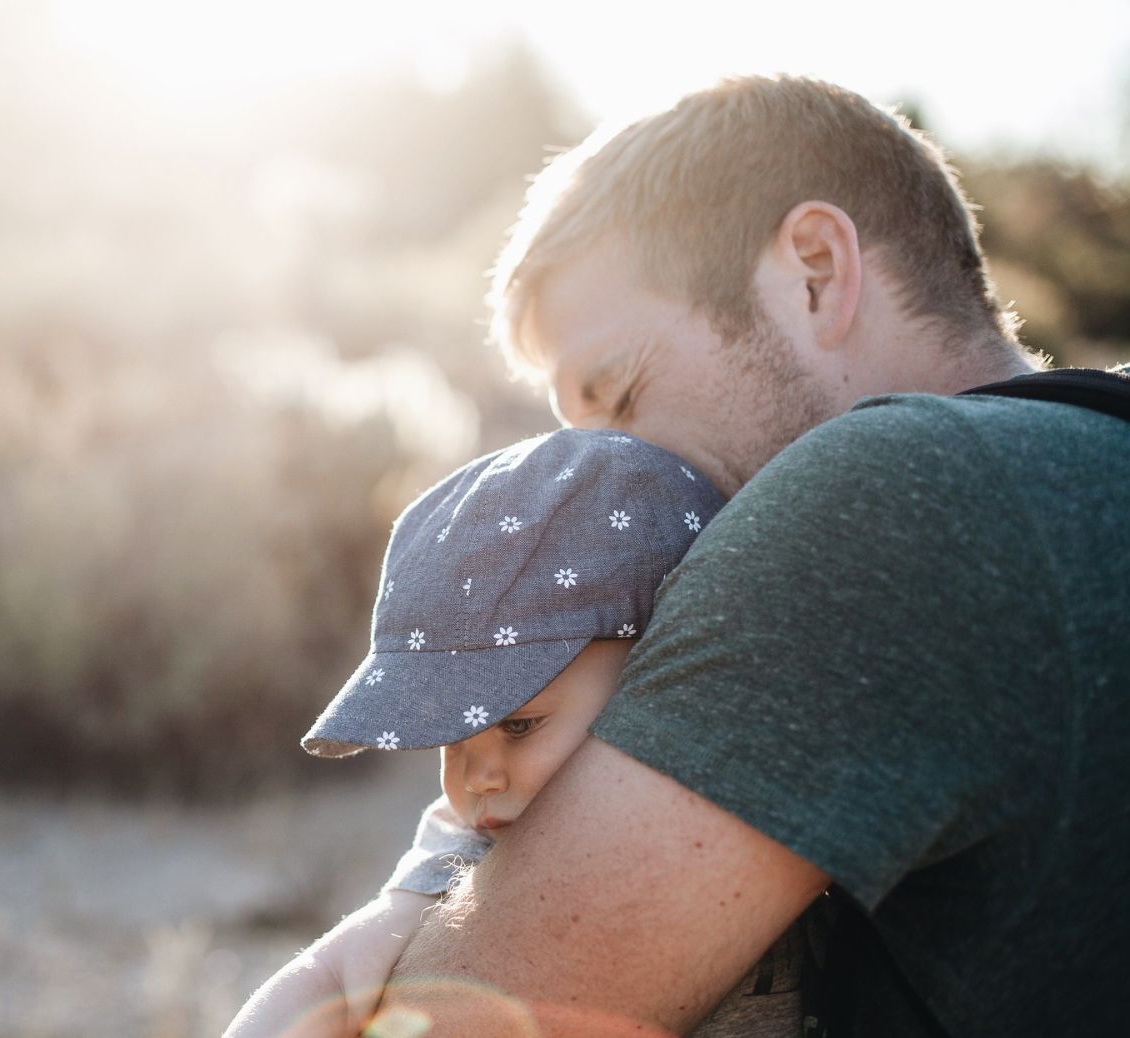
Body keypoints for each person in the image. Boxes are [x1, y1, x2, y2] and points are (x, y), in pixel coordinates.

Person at [366, 75, 1130, 1036]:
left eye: (620, 393)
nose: (601, 476)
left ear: (815, 269)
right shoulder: (1091, 459)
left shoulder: (881, 497)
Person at [226, 427, 822, 1038]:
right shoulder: (477, 848)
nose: (476, 779)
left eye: (519, 723)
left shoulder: (771, 765)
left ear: (658, 666)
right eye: (453, 740)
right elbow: (329, 976)